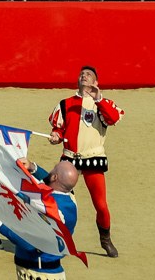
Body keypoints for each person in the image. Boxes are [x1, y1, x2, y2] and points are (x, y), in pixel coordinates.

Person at [49, 67, 121, 256]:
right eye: (82, 74)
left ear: (96, 82)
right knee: (55, 199)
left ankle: (105, 239)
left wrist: (98, 99)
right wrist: (56, 136)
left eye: (89, 75)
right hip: (69, 159)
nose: (84, 76)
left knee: (101, 205)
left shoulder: (103, 104)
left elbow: (113, 119)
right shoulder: (65, 104)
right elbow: (59, 129)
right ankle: (53, 237)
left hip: (93, 159)